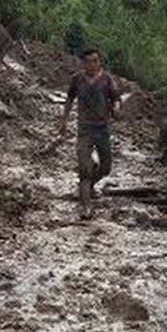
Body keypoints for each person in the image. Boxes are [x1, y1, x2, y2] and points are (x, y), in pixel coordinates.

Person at [59, 49, 122, 218]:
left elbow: (116, 97)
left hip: (102, 128)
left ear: (99, 62)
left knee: (106, 167)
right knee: (84, 169)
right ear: (83, 63)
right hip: (84, 129)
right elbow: (69, 99)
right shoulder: (77, 79)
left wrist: (116, 108)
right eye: (89, 61)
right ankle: (86, 206)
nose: (93, 64)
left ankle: (86, 187)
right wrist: (64, 121)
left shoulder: (107, 79)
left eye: (96, 61)